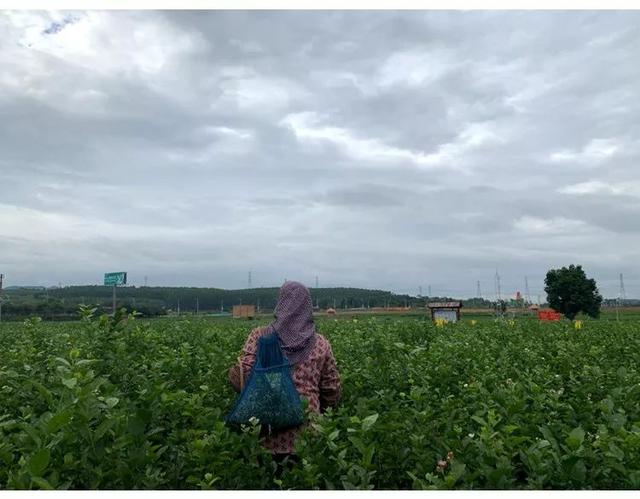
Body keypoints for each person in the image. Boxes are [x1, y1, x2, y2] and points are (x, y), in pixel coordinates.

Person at [228, 280, 341, 464]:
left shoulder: (260, 336)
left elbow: (243, 374)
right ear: (308, 307)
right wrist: (326, 412)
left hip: (265, 434)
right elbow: (331, 388)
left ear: (280, 304)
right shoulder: (320, 343)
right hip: (309, 436)